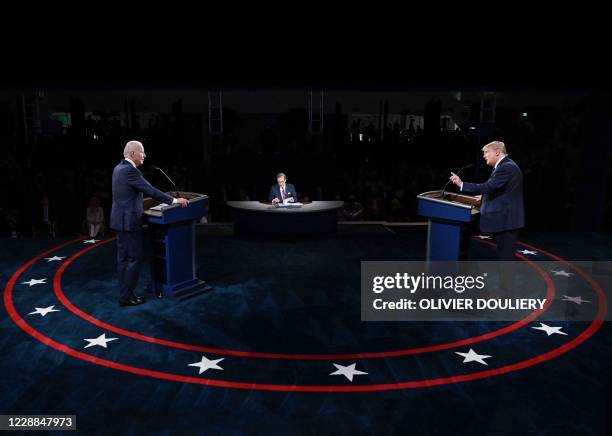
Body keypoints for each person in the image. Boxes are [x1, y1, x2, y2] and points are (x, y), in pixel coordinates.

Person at [110, 141, 189, 307]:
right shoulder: (131, 171)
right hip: (129, 222)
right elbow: (150, 190)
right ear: (132, 154)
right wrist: (174, 200)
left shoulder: (118, 168)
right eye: (142, 152)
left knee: (123, 259)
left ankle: (124, 294)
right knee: (133, 259)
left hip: (119, 220)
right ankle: (127, 297)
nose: (144, 155)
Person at [450, 141, 524, 288]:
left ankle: (506, 294)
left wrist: (461, 184)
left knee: (506, 258)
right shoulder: (506, 165)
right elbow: (502, 191)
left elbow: (489, 187)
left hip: (507, 220)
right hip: (507, 219)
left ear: (497, 152)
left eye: (486, 152)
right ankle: (506, 291)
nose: (484, 156)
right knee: (505, 257)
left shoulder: (506, 167)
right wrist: (483, 197)